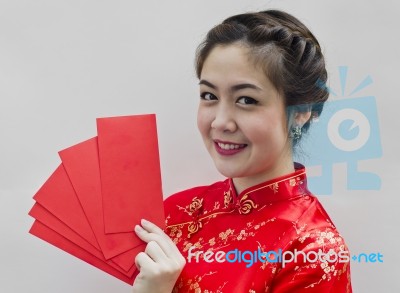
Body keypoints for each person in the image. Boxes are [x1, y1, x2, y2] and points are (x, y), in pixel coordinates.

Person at [132, 9, 352, 293]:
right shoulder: (174, 215)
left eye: (246, 99)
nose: (220, 121)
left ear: (302, 111)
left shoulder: (314, 250)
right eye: (209, 96)